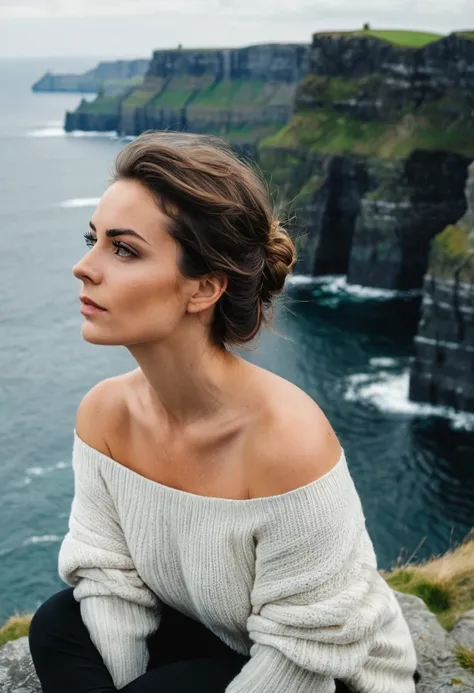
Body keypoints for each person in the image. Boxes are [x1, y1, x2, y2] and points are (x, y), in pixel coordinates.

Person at [28, 131, 419, 692]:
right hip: (214, 632)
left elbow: (302, 658)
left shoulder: (287, 442)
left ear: (204, 288)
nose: (83, 268)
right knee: (61, 622)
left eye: (124, 249)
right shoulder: (105, 416)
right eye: (92, 239)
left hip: (325, 675)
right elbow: (113, 587)